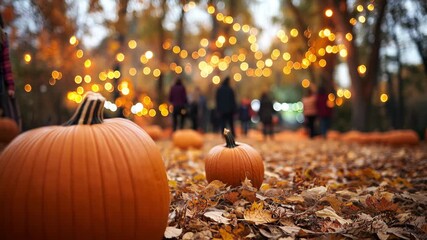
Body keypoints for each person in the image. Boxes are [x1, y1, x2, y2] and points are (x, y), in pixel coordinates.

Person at [0, 14, 20, 129]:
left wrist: (11, 86)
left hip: (0, 80)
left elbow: (6, 62)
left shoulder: (2, 37)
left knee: (6, 112)